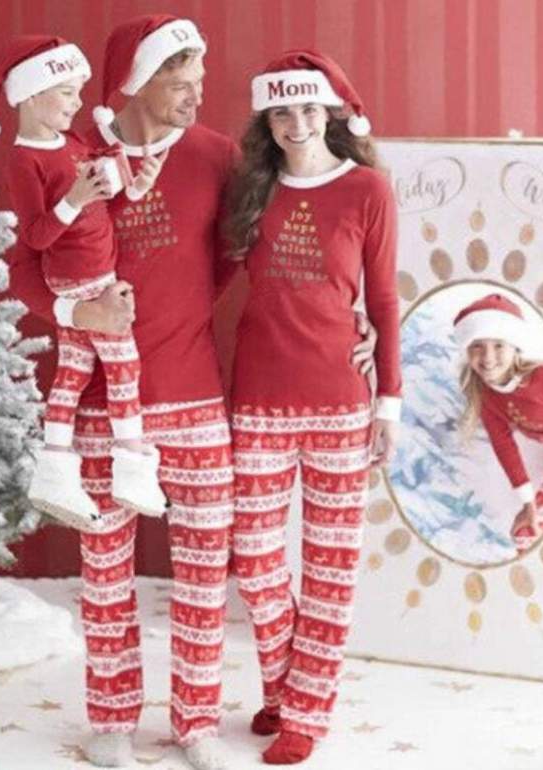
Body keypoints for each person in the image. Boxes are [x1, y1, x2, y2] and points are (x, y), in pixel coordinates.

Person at [6, 18, 376, 770]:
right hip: (99, 404)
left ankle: (196, 719)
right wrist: (79, 315)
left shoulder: (219, 156)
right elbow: (20, 266)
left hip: (198, 398)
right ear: (138, 82)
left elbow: (265, 246)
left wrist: (353, 318)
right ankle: (112, 717)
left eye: (199, 81)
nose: (197, 95)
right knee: (105, 574)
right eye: (181, 82)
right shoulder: (76, 156)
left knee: (207, 573)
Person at [224, 51, 401, 765]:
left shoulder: (367, 189)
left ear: (329, 114)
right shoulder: (251, 188)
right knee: (255, 561)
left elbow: (383, 300)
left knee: (330, 568)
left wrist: (389, 401)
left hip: (339, 403)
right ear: (266, 120)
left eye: (308, 109)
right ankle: (284, 684)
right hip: (259, 400)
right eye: (281, 112)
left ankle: (305, 713)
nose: (296, 124)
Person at [0, 35, 168, 531]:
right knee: (124, 367)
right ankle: (131, 468)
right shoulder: (24, 160)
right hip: (81, 282)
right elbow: (37, 235)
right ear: (30, 95)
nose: (77, 103)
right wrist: (75, 198)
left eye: (79, 92)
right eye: (66, 93)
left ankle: (54, 471)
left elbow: (100, 210)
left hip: (95, 275)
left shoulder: (73, 144)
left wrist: (136, 188)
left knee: (74, 372)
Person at [453, 293, 543, 549]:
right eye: (477, 345)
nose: (488, 357)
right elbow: (504, 446)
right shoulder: (486, 396)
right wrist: (528, 503)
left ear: (515, 346)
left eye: (499, 345)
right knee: (527, 537)